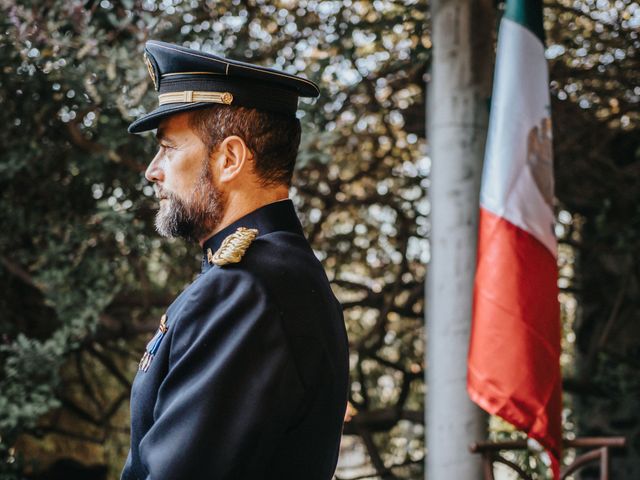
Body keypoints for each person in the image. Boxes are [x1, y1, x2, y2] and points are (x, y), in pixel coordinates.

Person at [120, 40, 350, 480]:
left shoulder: (246, 290)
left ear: (229, 158)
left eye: (168, 148)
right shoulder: (271, 277)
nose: (153, 170)